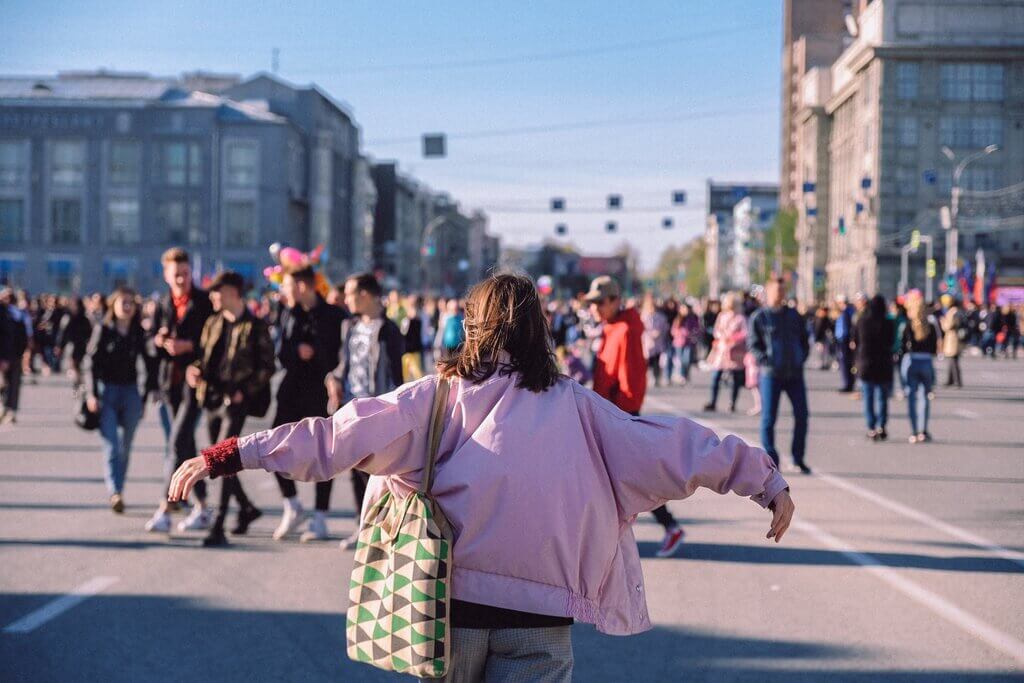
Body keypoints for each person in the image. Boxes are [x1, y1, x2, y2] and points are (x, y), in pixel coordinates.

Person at [170, 272, 794, 681]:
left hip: (446, 609)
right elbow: (674, 447)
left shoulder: (434, 398)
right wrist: (762, 479)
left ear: (472, 326)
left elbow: (332, 437)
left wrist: (228, 454)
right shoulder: (580, 407)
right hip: (543, 625)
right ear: (539, 330)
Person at [586, 275, 685, 558]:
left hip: (618, 413)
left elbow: (631, 381)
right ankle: (665, 527)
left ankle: (669, 526)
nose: (595, 308)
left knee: (628, 478)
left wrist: (619, 416)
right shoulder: (612, 326)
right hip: (610, 410)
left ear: (615, 301)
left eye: (600, 302)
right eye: (592, 303)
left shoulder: (626, 329)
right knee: (622, 478)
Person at [185, 271, 275, 547]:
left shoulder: (256, 326)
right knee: (219, 459)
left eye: (217, 291)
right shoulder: (213, 322)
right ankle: (246, 507)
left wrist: (244, 392)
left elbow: (267, 366)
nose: (212, 296)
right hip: (211, 398)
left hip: (236, 403)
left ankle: (219, 524)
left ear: (233, 293)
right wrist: (195, 370)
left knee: (221, 458)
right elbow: (204, 357)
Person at [326, 272, 405, 549]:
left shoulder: (389, 330)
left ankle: (383, 529)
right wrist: (333, 379)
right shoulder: (349, 326)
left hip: (377, 410)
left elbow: (397, 374)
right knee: (356, 470)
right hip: (350, 407)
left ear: (366, 295)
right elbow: (342, 365)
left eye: (350, 293)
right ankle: (364, 528)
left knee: (379, 473)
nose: (345, 299)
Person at [271, 266, 346, 542]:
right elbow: (279, 351)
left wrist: (315, 353)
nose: (284, 291)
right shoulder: (287, 312)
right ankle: (291, 504)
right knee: (273, 445)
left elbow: (341, 355)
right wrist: (295, 351)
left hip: (321, 392)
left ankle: (321, 516)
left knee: (323, 452)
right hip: (290, 391)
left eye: (288, 285)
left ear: (303, 286)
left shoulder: (334, 315)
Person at [145, 248, 214, 533]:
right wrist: (159, 341)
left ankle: (165, 507)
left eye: (185, 274)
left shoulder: (203, 302)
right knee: (184, 444)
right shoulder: (162, 303)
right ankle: (203, 506)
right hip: (168, 382)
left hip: (194, 383)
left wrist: (189, 347)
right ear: (166, 275)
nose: (182, 279)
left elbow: (212, 343)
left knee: (176, 441)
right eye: (176, 275)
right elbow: (148, 343)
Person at [84, 288, 146, 513]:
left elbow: (148, 363)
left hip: (130, 393)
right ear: (114, 305)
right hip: (106, 392)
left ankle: (119, 487)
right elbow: (89, 363)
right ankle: (115, 492)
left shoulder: (138, 333)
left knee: (125, 446)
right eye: (123, 302)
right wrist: (91, 394)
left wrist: (145, 397)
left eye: (131, 302)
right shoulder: (103, 330)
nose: (127, 306)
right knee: (111, 445)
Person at [749, 278, 812, 474]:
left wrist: (800, 357)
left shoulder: (793, 316)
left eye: (782, 291)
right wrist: (766, 360)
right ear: (767, 293)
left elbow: (804, 340)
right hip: (771, 374)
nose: (780, 295)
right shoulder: (759, 317)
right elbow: (754, 345)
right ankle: (771, 460)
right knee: (768, 418)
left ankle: (798, 457)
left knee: (802, 415)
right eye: (776, 291)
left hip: (794, 373)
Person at [854, 295, 895, 441]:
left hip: (866, 363)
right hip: (883, 363)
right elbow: (891, 342)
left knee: (868, 398)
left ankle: (871, 427)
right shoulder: (889, 323)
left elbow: (855, 341)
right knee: (882, 398)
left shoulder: (862, 321)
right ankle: (881, 425)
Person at [901, 293, 938, 444]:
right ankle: (923, 430)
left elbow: (902, 347)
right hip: (926, 361)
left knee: (911, 397)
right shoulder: (930, 326)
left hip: (911, 361)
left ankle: (914, 431)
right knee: (924, 396)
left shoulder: (908, 326)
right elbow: (935, 348)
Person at [703, 292, 747, 413]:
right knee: (716, 377)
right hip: (722, 351)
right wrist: (721, 336)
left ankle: (732, 403)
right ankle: (713, 401)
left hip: (735, 351)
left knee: (736, 379)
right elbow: (716, 330)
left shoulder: (740, 318)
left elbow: (744, 333)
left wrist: (733, 339)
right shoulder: (722, 316)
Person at [56, 296, 93, 394]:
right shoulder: (68, 318)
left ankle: (79, 385)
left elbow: (89, 333)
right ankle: (77, 385)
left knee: (80, 367)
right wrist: (59, 346)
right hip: (71, 346)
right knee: (73, 367)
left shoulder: (84, 318)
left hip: (80, 346)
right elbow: (62, 333)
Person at [639, 293, 669, 388]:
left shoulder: (660, 315)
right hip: (647, 342)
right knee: (646, 363)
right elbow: (641, 328)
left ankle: (656, 378)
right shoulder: (643, 315)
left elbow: (665, 326)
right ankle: (644, 379)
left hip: (658, 343)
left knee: (657, 362)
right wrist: (650, 334)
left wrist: (659, 332)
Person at [670, 302, 700, 386]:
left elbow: (697, 329)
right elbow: (673, 330)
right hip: (679, 343)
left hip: (689, 343)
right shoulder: (678, 319)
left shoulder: (692, 318)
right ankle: (682, 376)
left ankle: (686, 375)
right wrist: (681, 333)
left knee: (686, 360)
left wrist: (692, 334)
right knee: (681, 361)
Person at [940, 295, 965, 388]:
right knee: (952, 360)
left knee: (954, 360)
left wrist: (942, 322)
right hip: (954, 338)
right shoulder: (957, 311)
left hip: (952, 338)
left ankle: (958, 381)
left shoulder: (952, 312)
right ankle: (950, 380)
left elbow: (948, 326)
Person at [834, 295, 855, 392]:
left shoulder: (847, 312)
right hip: (843, 339)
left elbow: (849, 328)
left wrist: (850, 339)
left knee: (845, 363)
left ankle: (848, 384)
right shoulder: (847, 312)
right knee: (846, 362)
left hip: (844, 340)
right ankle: (848, 383)